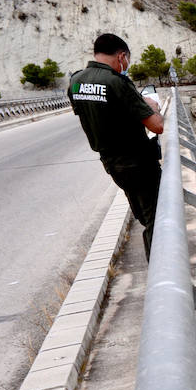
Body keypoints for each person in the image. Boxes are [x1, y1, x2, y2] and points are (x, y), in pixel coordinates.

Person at [68, 33, 164, 257]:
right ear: (121, 56)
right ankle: (162, 277)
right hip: (138, 162)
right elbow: (157, 125)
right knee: (158, 220)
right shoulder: (116, 82)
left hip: (112, 164)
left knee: (144, 214)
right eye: (127, 60)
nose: (127, 65)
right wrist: (151, 104)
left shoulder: (76, 81)